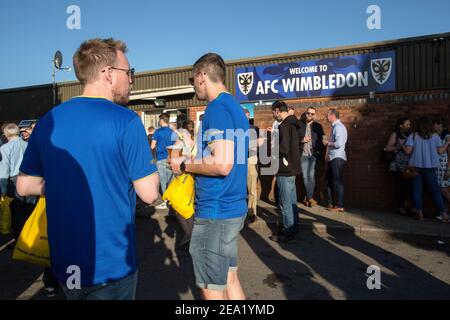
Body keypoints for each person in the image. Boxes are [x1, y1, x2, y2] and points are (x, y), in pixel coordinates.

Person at [17, 38, 160, 300]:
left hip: (66, 263)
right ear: (107, 74)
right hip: (111, 265)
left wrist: (66, 183)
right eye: (128, 72)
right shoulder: (126, 120)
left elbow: (23, 185)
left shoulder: (49, 120)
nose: (131, 79)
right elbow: (150, 194)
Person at [169, 53, 249, 300]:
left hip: (215, 211)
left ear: (202, 76)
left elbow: (222, 164)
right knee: (228, 278)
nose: (193, 85)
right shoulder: (234, 106)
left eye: (193, 79)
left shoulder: (216, 108)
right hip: (232, 208)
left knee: (211, 288)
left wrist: (185, 166)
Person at [403, 116, 450, 221]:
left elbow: (407, 152)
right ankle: (444, 214)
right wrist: (447, 143)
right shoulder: (435, 137)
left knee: (416, 191)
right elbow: (440, 151)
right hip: (430, 168)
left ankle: (420, 213)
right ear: (429, 125)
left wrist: (402, 145)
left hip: (415, 167)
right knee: (435, 192)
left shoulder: (413, 136)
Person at [268, 101, 301, 243]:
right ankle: (293, 228)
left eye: (273, 113)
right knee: (292, 201)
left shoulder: (285, 125)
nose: (273, 116)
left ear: (277, 110)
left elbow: (284, 149)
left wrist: (271, 146)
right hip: (293, 168)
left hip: (284, 169)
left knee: (285, 203)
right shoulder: (295, 124)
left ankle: (288, 232)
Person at [297, 107, 325, 207]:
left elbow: (322, 140)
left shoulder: (318, 126)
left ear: (315, 115)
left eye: (312, 114)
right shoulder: (300, 125)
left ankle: (309, 197)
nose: (310, 115)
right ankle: (310, 198)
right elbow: (295, 138)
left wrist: (320, 153)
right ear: (305, 114)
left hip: (313, 155)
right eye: (308, 113)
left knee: (311, 176)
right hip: (303, 154)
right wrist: (301, 140)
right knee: (305, 176)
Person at [384, 117, 412, 215]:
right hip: (397, 164)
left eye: (409, 124)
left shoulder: (409, 135)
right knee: (399, 186)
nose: (409, 126)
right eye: (407, 124)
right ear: (401, 125)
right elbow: (387, 148)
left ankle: (406, 206)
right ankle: (400, 207)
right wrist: (398, 147)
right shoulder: (395, 134)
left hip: (407, 164)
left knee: (407, 186)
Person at [323, 109, 348, 212]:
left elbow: (339, 144)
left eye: (327, 115)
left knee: (337, 182)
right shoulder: (336, 127)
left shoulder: (339, 127)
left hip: (337, 158)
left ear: (332, 116)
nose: (326, 117)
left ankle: (340, 205)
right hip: (334, 158)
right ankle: (333, 204)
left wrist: (327, 143)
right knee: (330, 181)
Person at [151, 113, 176, 210]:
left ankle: (166, 202)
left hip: (161, 158)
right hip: (171, 158)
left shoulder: (157, 132)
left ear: (161, 120)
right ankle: (170, 202)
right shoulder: (173, 131)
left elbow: (152, 146)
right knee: (170, 181)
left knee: (162, 182)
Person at [243, 108, 262, 224]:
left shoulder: (254, 129)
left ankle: (252, 212)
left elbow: (257, 146)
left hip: (251, 159)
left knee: (252, 189)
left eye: (247, 117)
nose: (245, 119)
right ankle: (240, 212)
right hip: (238, 161)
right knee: (240, 189)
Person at [432, 117, 450, 220]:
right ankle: (445, 214)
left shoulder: (447, 136)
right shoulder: (435, 135)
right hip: (437, 165)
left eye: (434, 124)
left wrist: (449, 168)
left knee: (444, 190)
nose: (433, 126)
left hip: (444, 166)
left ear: (440, 124)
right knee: (442, 190)